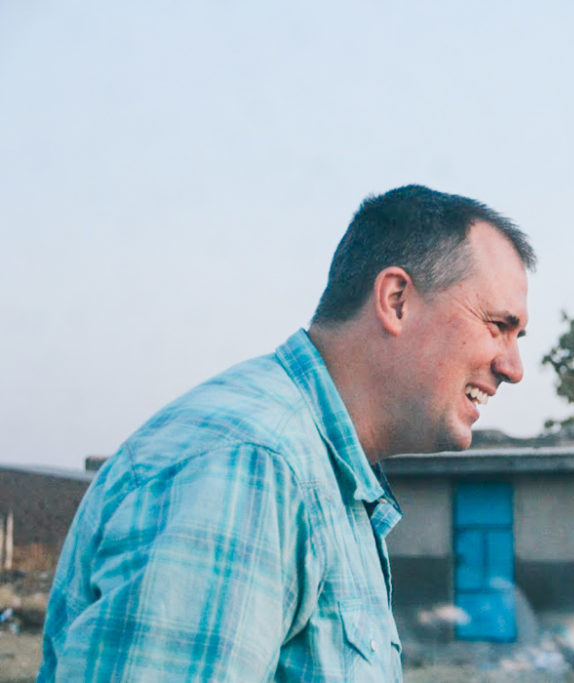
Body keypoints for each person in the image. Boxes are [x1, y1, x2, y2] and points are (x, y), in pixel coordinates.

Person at [38, 185, 535, 681]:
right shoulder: (247, 466)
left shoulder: (323, 475)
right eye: (497, 325)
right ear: (396, 300)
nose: (512, 368)